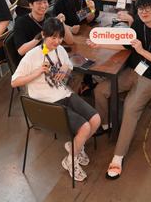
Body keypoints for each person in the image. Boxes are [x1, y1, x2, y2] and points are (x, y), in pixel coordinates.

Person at [90, 0, 151, 179]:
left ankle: (118, 156)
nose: (144, 12)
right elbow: (126, 46)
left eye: (148, 8)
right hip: (132, 71)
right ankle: (106, 124)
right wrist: (100, 44)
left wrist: (142, 51)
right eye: (140, 9)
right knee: (100, 90)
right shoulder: (138, 24)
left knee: (130, 108)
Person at [12, 18, 100, 182]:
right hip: (46, 104)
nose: (57, 41)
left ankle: (75, 147)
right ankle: (70, 161)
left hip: (63, 93)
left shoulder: (60, 50)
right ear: (43, 35)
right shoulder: (32, 56)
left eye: (60, 37)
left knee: (96, 119)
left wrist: (66, 67)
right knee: (85, 128)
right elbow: (14, 82)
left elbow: (69, 65)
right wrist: (36, 73)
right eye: (53, 37)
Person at [13, 0, 73, 66]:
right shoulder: (21, 22)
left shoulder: (49, 18)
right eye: (39, 3)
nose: (43, 6)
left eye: (45, 2)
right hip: (31, 61)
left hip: (49, 56)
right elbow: (21, 51)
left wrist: (62, 23)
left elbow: (70, 41)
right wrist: (40, 36)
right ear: (31, 5)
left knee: (69, 66)